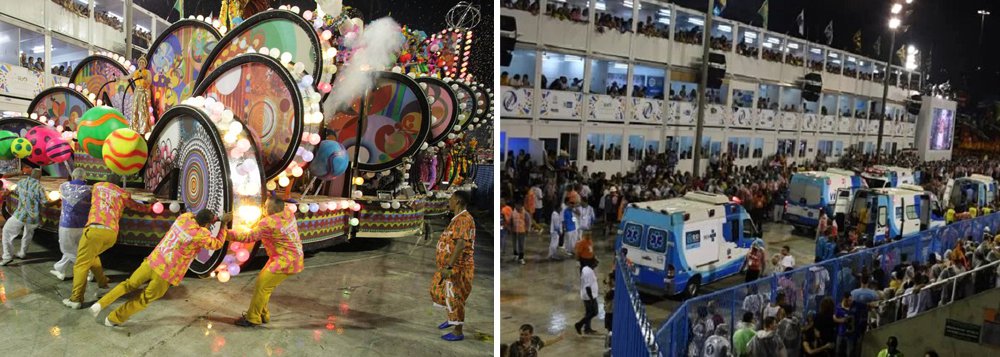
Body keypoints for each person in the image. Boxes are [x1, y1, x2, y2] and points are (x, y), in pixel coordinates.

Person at [90, 210, 231, 326]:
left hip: (152, 261)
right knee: (144, 299)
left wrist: (213, 218)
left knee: (128, 284)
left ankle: (100, 304)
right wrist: (223, 224)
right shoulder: (201, 234)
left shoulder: (184, 218)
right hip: (166, 273)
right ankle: (113, 319)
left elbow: (195, 216)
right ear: (207, 224)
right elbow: (217, 244)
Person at [64, 178, 152, 309]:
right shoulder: (122, 193)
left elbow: (81, 195)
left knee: (81, 264)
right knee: (92, 256)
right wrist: (150, 206)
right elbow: (138, 206)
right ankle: (103, 282)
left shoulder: (97, 186)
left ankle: (76, 299)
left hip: (94, 230)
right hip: (111, 234)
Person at [227, 197, 304, 327]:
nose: (264, 208)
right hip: (292, 257)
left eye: (266, 206)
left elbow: (248, 237)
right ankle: (263, 314)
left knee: (262, 286)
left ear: (272, 209)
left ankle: (253, 318)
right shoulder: (288, 212)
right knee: (264, 286)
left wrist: (225, 233)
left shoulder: (268, 222)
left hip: (284, 261)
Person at [430, 190, 476, 341]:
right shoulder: (457, 219)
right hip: (448, 267)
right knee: (439, 291)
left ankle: (458, 331)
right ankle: (451, 319)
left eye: (451, 198)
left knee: (455, 298)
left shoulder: (463, 220)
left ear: (457, 201)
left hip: (457, 269)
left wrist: (449, 267)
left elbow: (461, 244)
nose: (448, 201)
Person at [50, 169, 92, 280]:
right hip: (83, 225)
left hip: (67, 224)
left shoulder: (64, 186)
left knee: (67, 250)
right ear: (84, 176)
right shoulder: (89, 190)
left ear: (73, 176)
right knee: (76, 249)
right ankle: (60, 270)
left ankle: (91, 271)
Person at [1, 169, 46, 266]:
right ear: (40, 176)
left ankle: (7, 256)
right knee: (28, 234)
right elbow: (45, 203)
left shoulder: (21, 182)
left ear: (30, 174)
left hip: (20, 214)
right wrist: (58, 201)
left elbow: (15, 192)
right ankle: (22, 253)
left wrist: (8, 193)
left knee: (6, 231)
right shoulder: (39, 187)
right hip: (33, 217)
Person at [574, 258, 599, 335]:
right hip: (589, 296)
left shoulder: (586, 268)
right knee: (594, 312)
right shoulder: (589, 272)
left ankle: (587, 328)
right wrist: (591, 299)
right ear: (591, 263)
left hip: (586, 295)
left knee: (588, 313)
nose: (597, 263)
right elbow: (588, 287)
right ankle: (579, 324)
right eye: (596, 262)